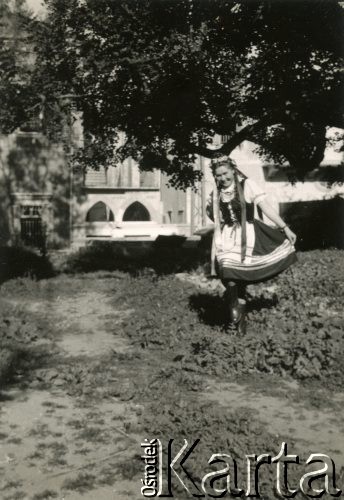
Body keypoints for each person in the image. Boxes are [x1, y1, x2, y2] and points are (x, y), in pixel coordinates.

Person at [206, 155, 297, 333]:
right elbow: (215, 216)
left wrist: (284, 227)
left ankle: (238, 322)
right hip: (226, 237)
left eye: (225, 173)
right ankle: (235, 313)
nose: (222, 178)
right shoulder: (216, 193)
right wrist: (212, 210)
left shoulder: (247, 185)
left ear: (233, 170)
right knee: (228, 273)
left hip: (247, 235)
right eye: (218, 175)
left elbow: (265, 207)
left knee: (237, 278)